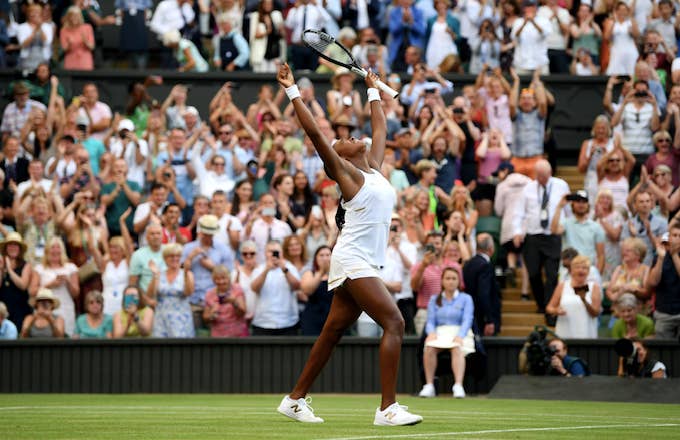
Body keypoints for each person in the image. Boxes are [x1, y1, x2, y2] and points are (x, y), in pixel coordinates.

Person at [275, 64, 422, 425]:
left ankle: (294, 400)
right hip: (353, 259)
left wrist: (372, 90)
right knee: (395, 323)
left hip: (363, 262)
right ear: (339, 155)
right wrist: (293, 90)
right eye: (343, 140)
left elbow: (380, 127)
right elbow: (314, 133)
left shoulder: (372, 166)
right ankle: (387, 408)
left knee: (332, 332)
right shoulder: (347, 173)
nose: (351, 137)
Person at [512, 159, 570, 319]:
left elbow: (568, 208)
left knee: (552, 275)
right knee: (533, 273)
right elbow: (519, 212)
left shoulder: (561, 185)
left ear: (550, 173)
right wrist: (517, 231)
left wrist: (569, 226)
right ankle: (541, 304)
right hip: (533, 235)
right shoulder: (528, 189)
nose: (542, 179)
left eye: (544, 175)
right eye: (539, 175)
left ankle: (549, 310)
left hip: (553, 236)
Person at [418, 267, 474, 399]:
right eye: (448, 278)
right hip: (440, 332)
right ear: (442, 281)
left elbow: (467, 319)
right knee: (430, 348)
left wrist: (460, 335)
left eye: (454, 278)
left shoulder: (466, 298)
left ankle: (458, 386)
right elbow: (430, 321)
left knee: (457, 348)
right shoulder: (434, 299)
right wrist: (431, 333)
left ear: (458, 281)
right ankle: (429, 385)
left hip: (460, 331)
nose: (451, 282)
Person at [28, 237, 79, 336]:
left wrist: (67, 281)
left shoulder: (71, 267)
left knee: (64, 335)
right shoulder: (39, 268)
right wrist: (50, 284)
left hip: (65, 307)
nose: (55, 250)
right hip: (44, 308)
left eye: (58, 247)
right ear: (47, 251)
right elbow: (32, 291)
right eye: (52, 247)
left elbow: (76, 293)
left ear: (62, 250)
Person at [250, 240, 301, 335]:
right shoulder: (259, 269)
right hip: (263, 323)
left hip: (287, 322)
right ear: (265, 253)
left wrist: (284, 269)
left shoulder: (290, 268)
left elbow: (297, 286)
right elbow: (254, 288)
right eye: (270, 251)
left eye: (276, 251)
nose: (273, 254)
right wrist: (266, 270)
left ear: (282, 253)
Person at [546, 255, 602, 338]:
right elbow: (549, 308)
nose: (580, 270)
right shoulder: (562, 286)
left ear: (588, 271)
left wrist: (584, 301)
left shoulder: (594, 287)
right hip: (564, 332)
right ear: (571, 270)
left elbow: (596, 313)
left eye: (584, 268)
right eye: (577, 267)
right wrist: (556, 310)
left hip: (586, 333)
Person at [551, 190, 605, 274]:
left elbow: (601, 255)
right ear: (573, 204)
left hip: (587, 271)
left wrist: (597, 275)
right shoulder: (566, 223)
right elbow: (554, 230)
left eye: (584, 202)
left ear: (588, 205)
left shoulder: (596, 227)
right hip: (568, 271)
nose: (581, 204)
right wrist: (559, 207)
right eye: (578, 201)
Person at [147, 243, 195, 338]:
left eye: (177, 256)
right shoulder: (160, 274)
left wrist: (185, 273)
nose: (174, 259)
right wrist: (155, 275)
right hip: (161, 317)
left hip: (181, 318)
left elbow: (188, 292)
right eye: (171, 256)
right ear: (165, 258)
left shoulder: (187, 274)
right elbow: (150, 294)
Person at [645, 222, 680, 339]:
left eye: (679, 236)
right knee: (663, 352)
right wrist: (660, 258)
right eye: (674, 235)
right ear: (669, 238)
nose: (677, 239)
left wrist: (674, 255)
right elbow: (653, 282)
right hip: (664, 313)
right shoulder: (659, 256)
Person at [462, 233, 501, 336]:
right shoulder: (485, 266)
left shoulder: (468, 264)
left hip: (471, 315)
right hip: (482, 319)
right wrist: (489, 320)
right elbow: (484, 294)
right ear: (491, 248)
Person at [0, 232, 33, 331]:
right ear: (6, 248)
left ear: (20, 249)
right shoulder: (1, 264)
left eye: (15, 245)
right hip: (3, 310)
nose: (13, 248)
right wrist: (1, 269)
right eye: (10, 245)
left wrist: (9, 270)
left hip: (20, 309)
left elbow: (23, 285)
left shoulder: (26, 265)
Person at [203, 265, 247, 337]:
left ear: (229, 278)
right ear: (213, 280)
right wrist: (212, 313)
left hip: (237, 335)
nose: (221, 281)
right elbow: (205, 318)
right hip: (218, 336)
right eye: (217, 279)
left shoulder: (237, 289)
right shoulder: (210, 294)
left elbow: (242, 313)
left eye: (223, 278)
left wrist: (234, 302)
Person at [298, 246, 332, 336]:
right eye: (321, 255)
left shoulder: (337, 274)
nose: (325, 258)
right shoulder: (310, 273)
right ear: (315, 258)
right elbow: (308, 290)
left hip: (332, 317)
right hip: (312, 317)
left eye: (328, 255)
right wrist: (321, 272)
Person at [59, 6, 95, 70]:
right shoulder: (64, 30)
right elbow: (64, 49)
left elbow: (92, 47)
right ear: (68, 17)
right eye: (72, 16)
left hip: (85, 60)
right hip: (70, 60)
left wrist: (85, 41)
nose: (74, 18)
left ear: (80, 17)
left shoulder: (87, 27)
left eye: (76, 16)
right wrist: (69, 44)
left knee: (86, 79)